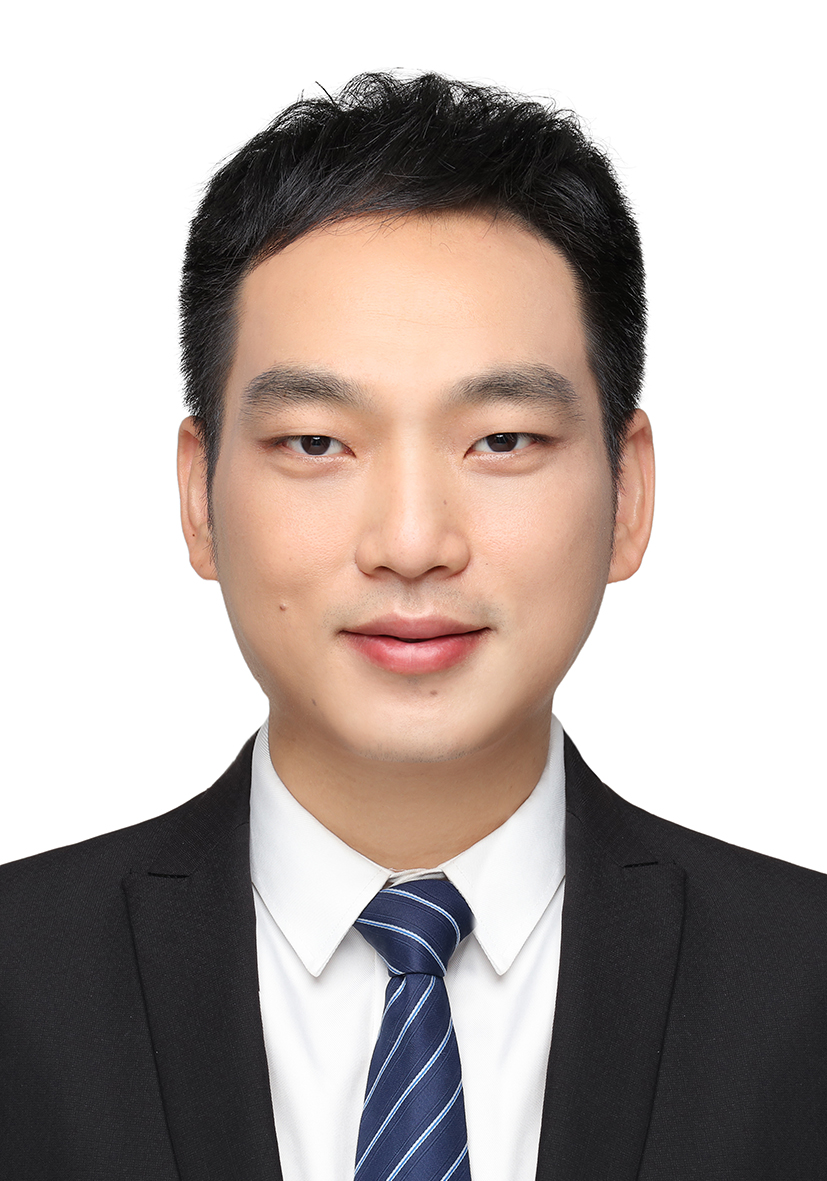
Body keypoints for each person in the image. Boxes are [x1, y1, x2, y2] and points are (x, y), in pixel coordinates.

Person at [1, 71, 825, 1181]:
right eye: (315, 443)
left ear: (628, 493)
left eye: (501, 440)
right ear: (198, 498)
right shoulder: (21, 980)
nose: (409, 540)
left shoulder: (802, 984)